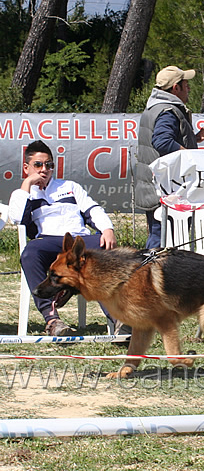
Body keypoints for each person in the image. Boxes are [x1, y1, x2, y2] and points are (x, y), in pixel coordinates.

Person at [8, 140, 118, 336]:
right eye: (38, 165)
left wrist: (107, 229)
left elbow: (93, 209)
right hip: (48, 241)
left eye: (49, 165)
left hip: (77, 241)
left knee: (104, 249)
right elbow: (17, 218)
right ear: (26, 167)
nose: (44, 170)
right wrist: (28, 183)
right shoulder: (24, 194)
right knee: (30, 253)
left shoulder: (70, 186)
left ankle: (119, 319)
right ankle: (53, 320)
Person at [137, 65, 204, 249]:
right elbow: (162, 142)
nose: (189, 87)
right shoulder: (168, 111)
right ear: (175, 88)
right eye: (185, 84)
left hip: (158, 186)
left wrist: (194, 138)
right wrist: (191, 155)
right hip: (165, 189)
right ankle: (146, 274)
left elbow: (165, 139)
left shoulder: (156, 107)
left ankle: (150, 273)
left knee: (162, 237)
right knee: (163, 239)